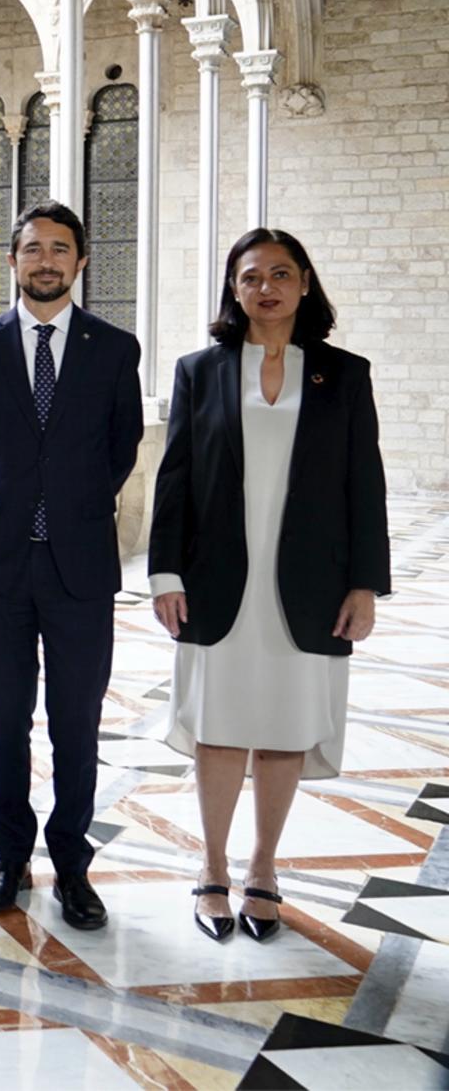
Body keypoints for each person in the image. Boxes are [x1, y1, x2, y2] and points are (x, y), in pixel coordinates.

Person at [149, 229, 388, 942]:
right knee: (219, 729)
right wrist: (165, 571)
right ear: (235, 289)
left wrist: (365, 584)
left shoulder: (344, 375)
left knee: (283, 728)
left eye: (281, 273)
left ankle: (264, 869)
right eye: (250, 276)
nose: (266, 287)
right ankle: (212, 868)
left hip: (310, 584)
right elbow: (175, 479)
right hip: (217, 580)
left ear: (305, 284)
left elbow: (363, 484)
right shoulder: (201, 370)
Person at [0, 201, 142, 930]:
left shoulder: (115, 349)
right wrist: (8, 504)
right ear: (13, 260)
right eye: (33, 248)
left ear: (80, 261)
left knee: (76, 723)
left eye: (60, 248)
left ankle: (73, 864)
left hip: (80, 565)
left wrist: (69, 504)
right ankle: (8, 856)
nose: (47, 260)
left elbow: (121, 448)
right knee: (5, 722)